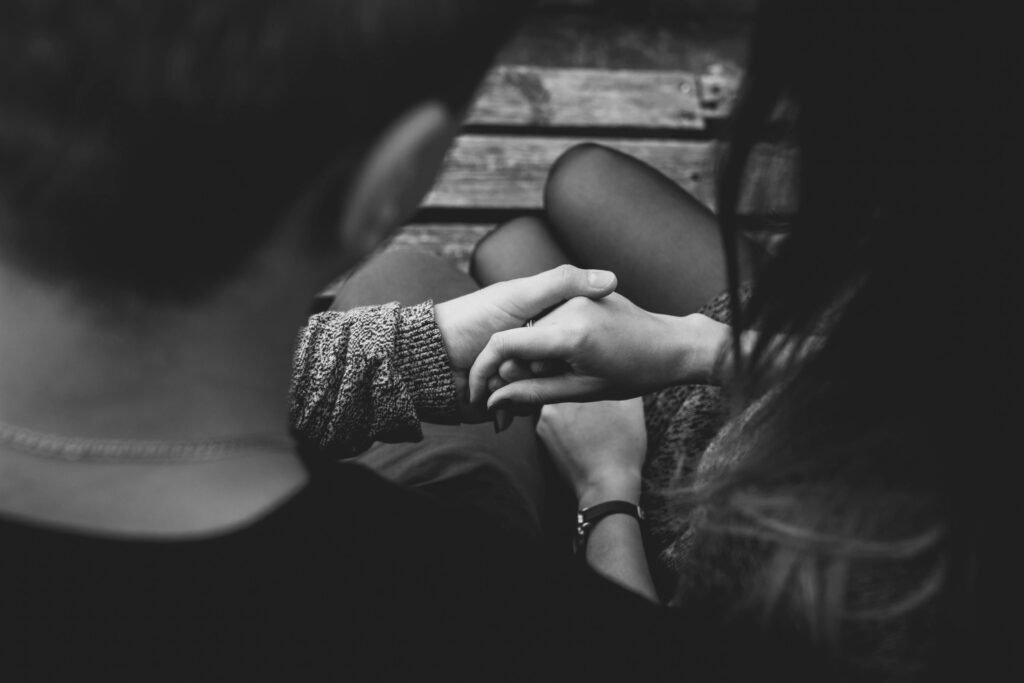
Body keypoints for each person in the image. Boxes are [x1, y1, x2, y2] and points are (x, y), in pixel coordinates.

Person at [0, 1, 686, 679]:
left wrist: (419, 352)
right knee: (409, 275)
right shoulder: (535, 629)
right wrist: (607, 492)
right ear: (394, 182)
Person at [468, 0, 1007, 679]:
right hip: (791, 381)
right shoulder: (966, 291)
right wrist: (697, 345)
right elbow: (921, 372)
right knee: (581, 180)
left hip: (684, 487)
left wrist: (604, 487)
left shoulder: (802, 559)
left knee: (515, 257)